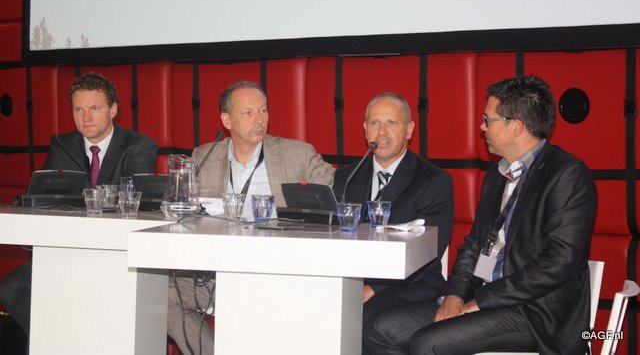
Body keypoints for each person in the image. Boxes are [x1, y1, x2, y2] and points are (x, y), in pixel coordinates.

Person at [365, 76, 597, 355]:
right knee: (380, 330)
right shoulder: (497, 175)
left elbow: (558, 262)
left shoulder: (566, 175)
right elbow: (474, 244)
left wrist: (483, 300)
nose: (482, 127)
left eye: (488, 120)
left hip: (534, 313)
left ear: (515, 127)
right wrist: (454, 294)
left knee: (427, 344)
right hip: (482, 296)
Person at [167, 80, 335, 354]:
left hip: (275, 273)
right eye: (248, 113)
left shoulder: (297, 154)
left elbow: (334, 191)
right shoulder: (204, 156)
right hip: (217, 274)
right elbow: (182, 209)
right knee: (163, 298)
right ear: (226, 120)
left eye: (263, 110)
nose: (259, 120)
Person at [0, 73, 158, 335]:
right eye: (78, 110)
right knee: (12, 289)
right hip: (66, 251)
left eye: (94, 108)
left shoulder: (139, 146)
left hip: (117, 255)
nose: (86, 117)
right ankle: (57, 339)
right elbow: (42, 198)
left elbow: (133, 202)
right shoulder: (62, 145)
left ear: (113, 110)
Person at [332, 92, 454, 354]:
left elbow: (429, 252)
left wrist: (373, 288)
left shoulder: (433, 180)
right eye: (375, 123)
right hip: (352, 282)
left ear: (409, 130)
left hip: (410, 287)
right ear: (365, 129)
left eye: (392, 123)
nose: (382, 132)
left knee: (361, 320)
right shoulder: (346, 177)